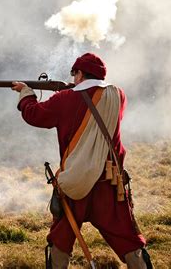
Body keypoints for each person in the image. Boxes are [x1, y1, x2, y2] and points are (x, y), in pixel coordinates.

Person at [12, 53, 152, 269]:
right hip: (110, 182)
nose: (73, 77)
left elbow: (35, 115)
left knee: (61, 237)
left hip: (75, 182)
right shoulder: (118, 96)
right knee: (127, 236)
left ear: (79, 73)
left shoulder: (64, 100)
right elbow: (88, 101)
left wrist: (25, 93)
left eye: (74, 73)